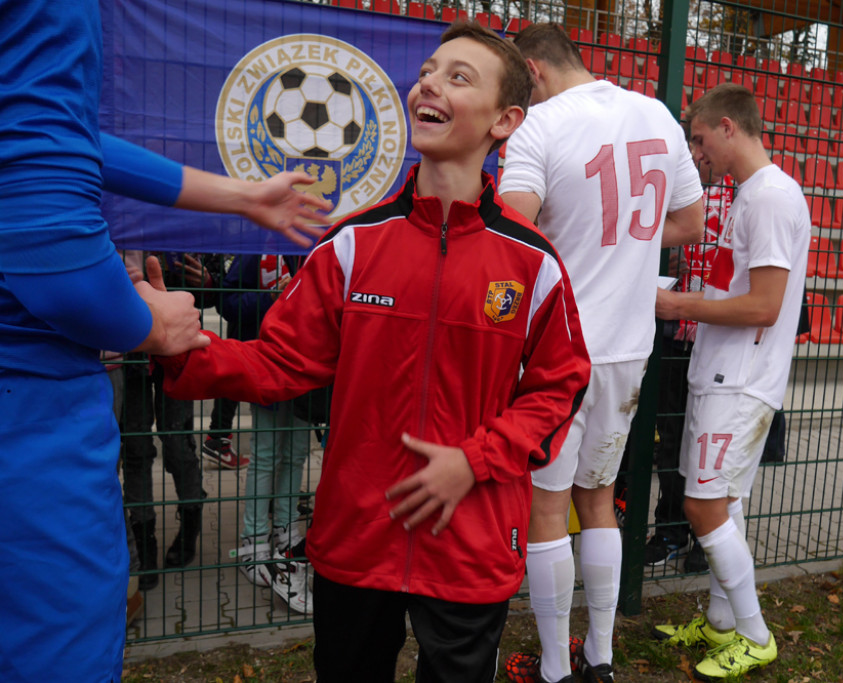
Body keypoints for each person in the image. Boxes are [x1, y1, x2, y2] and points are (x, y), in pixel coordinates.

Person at [154, 21, 590, 682]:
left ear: (504, 121)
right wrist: (184, 351)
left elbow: (561, 386)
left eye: (458, 77)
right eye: (428, 72)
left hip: (470, 542)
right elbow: (278, 361)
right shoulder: (352, 243)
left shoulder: (533, 262)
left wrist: (473, 461)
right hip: (358, 537)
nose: (429, 84)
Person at [0, 4, 330, 679]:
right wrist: (148, 323)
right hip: (29, 423)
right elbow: (49, 228)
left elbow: (60, 138)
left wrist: (242, 197)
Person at [497, 23, 705, 683]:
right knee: (599, 499)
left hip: (559, 349)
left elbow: (509, 231)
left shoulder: (540, 125)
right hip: (628, 346)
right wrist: (628, 247)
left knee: (546, 507)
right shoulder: (657, 114)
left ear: (534, 70)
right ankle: (601, 657)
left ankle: (556, 668)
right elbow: (691, 221)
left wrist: (576, 237)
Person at [650, 83, 811, 680]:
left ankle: (756, 635)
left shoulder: (769, 197)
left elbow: (765, 305)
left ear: (728, 127)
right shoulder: (751, 194)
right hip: (721, 373)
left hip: (740, 381)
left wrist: (678, 305)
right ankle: (722, 625)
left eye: (699, 139)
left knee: (701, 504)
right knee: (725, 504)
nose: (696, 153)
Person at [642, 160, 734, 570]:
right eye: (690, 143)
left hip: (719, 338)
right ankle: (670, 530)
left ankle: (707, 535)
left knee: (711, 442)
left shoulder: (740, 197)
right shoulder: (672, 191)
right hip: (673, 334)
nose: (697, 153)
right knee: (671, 439)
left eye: (700, 141)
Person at [220, 251, 314, 615]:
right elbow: (227, 303)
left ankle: (286, 533)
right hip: (267, 361)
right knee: (265, 454)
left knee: (296, 453)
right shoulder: (256, 247)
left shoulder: (321, 246)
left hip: (308, 366)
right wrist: (272, 296)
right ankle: (254, 540)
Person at [122, 252, 222, 589]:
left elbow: (211, 294)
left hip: (177, 347)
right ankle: (144, 538)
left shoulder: (184, 233)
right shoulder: (119, 229)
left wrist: (206, 282)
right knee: (136, 447)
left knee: (177, 441)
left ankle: (191, 519)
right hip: (130, 347)